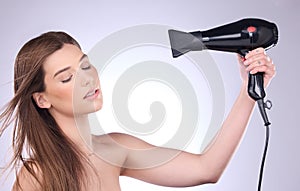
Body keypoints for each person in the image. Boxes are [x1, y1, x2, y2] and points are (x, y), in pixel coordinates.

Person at [0, 31, 275, 191]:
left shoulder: (115, 148)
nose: (87, 78)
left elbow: (206, 169)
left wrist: (248, 91)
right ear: (41, 99)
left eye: (85, 66)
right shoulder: (36, 176)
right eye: (66, 77)